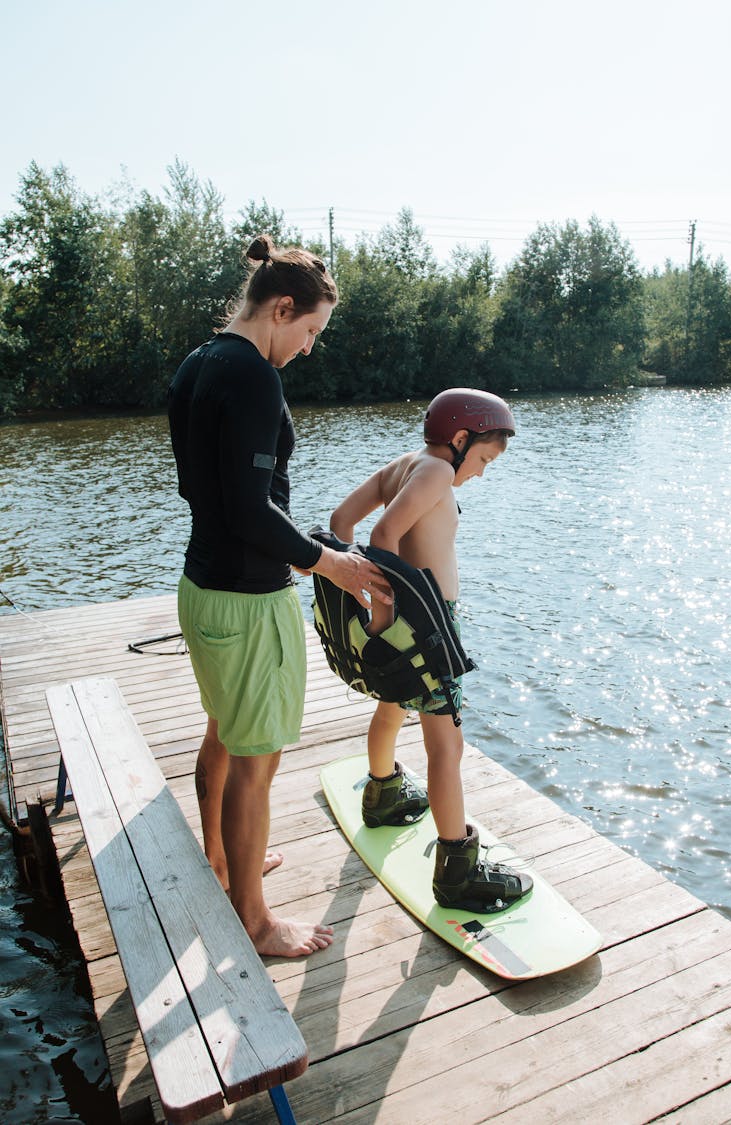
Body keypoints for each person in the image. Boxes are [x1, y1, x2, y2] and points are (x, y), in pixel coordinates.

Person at [168, 234, 391, 957]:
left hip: (202, 587)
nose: (309, 347)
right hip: (246, 598)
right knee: (256, 761)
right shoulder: (255, 378)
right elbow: (250, 510)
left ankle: (222, 859)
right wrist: (328, 562)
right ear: (282, 307)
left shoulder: (197, 363)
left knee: (222, 733)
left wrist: (302, 551)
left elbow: (208, 495)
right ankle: (253, 919)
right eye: (310, 331)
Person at [329, 389, 534, 912]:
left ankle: (383, 795)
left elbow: (340, 523)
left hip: (404, 626)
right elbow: (382, 534)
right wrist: (386, 606)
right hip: (430, 625)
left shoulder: (404, 464)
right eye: (485, 458)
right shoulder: (439, 472)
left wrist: (368, 601)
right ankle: (458, 874)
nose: (483, 472)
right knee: (446, 747)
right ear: (461, 439)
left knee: (394, 702)